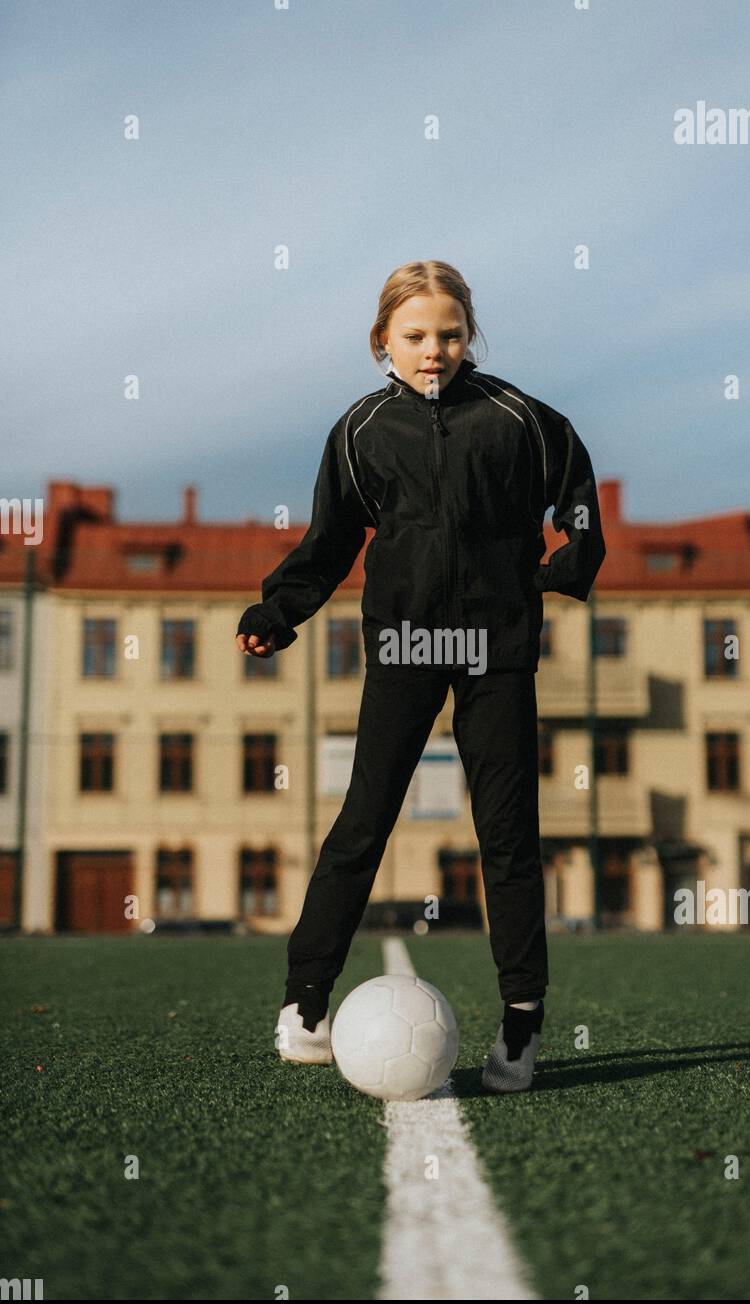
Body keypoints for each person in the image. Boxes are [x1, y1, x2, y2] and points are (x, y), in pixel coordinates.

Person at [236, 260, 606, 1092]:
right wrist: (277, 612)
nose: (432, 351)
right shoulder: (361, 433)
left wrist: (566, 563)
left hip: (496, 649)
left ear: (467, 333)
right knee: (363, 821)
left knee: (507, 836)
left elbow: (576, 495)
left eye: (447, 334)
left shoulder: (522, 420)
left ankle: (520, 1027)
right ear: (383, 342)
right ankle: (303, 1006)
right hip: (402, 646)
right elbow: (330, 542)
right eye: (414, 337)